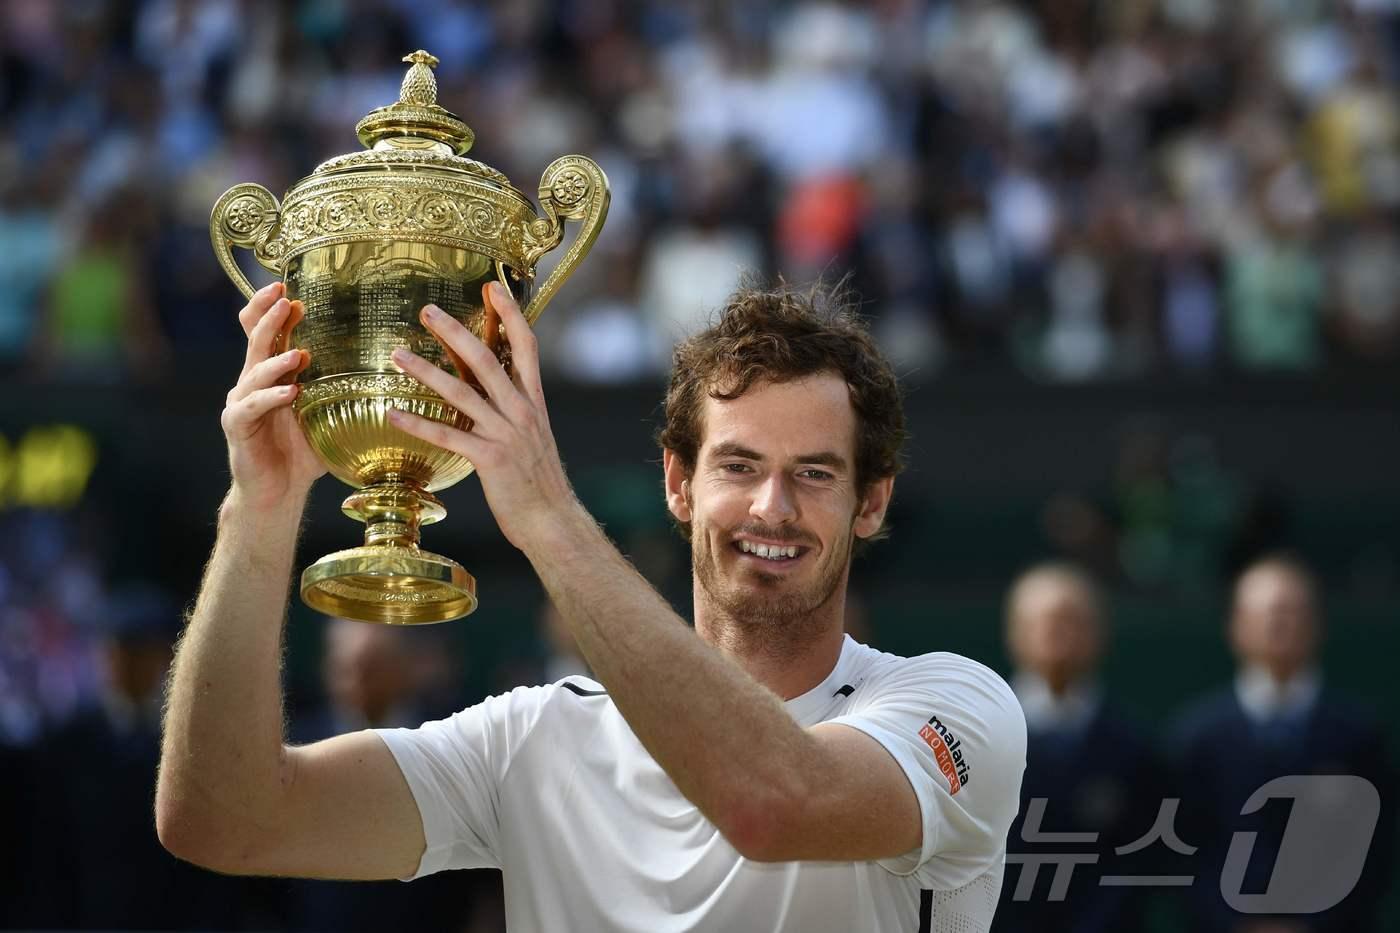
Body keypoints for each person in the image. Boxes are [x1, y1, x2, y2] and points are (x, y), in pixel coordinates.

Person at [156, 279, 1027, 932]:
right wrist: (256, 518)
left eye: (814, 474)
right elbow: (225, 819)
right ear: (679, 482)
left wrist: (547, 516)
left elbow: (772, 802)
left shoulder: (955, 705)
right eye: (739, 465)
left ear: (870, 504)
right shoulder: (535, 737)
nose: (772, 508)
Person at [1168, 555, 1394, 933]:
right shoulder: (1197, 736)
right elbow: (1182, 852)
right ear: (1236, 626)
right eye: (1265, 612)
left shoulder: (1358, 735)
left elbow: (1375, 851)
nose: (1279, 622)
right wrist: (1236, 922)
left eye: (1292, 611)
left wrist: (1311, 924)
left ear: (1317, 625)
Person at [996, 563, 1164, 933]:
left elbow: (1140, 863)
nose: (1058, 633)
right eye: (1045, 621)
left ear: (1099, 634)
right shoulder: (977, 740)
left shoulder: (1133, 748)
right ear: (1015, 633)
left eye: (1073, 621)